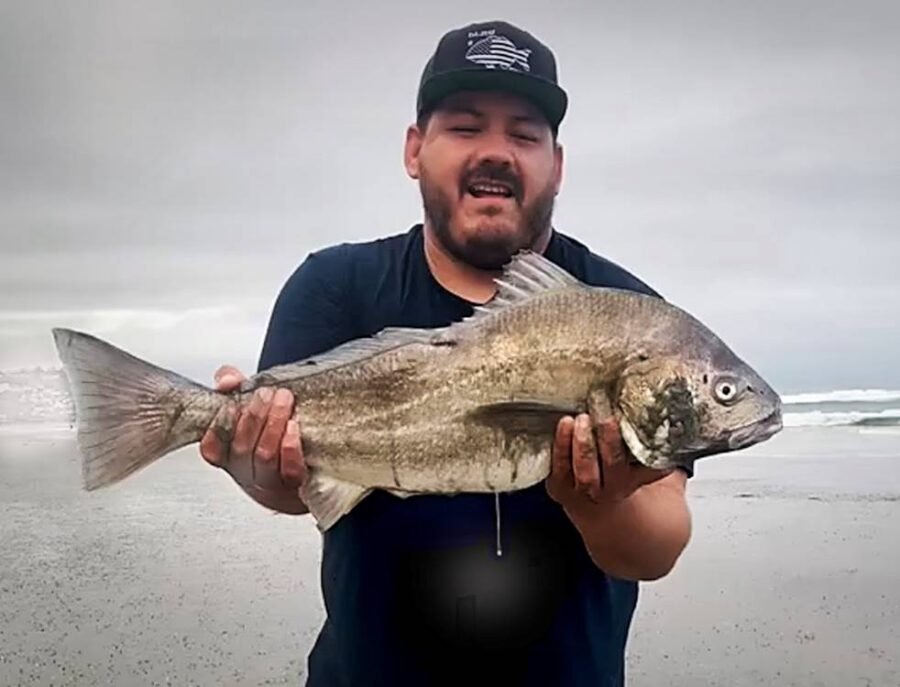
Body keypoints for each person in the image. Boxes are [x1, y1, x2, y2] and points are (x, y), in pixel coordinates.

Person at [199, 19, 692, 687]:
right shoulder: (334, 286)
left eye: (524, 133)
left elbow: (660, 540)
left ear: (558, 163)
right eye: (465, 126)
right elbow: (297, 491)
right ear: (414, 150)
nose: (497, 151)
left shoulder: (628, 316)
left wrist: (597, 502)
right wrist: (253, 464)